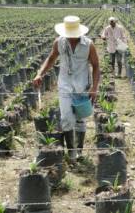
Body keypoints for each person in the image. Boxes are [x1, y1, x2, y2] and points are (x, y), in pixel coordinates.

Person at [33, 15, 100, 162]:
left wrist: (94, 88)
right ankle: (71, 153)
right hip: (64, 85)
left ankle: (80, 151)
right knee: (66, 119)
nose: (70, 38)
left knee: (81, 119)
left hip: (82, 86)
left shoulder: (89, 45)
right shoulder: (59, 42)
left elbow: (96, 66)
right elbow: (51, 58)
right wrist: (40, 74)